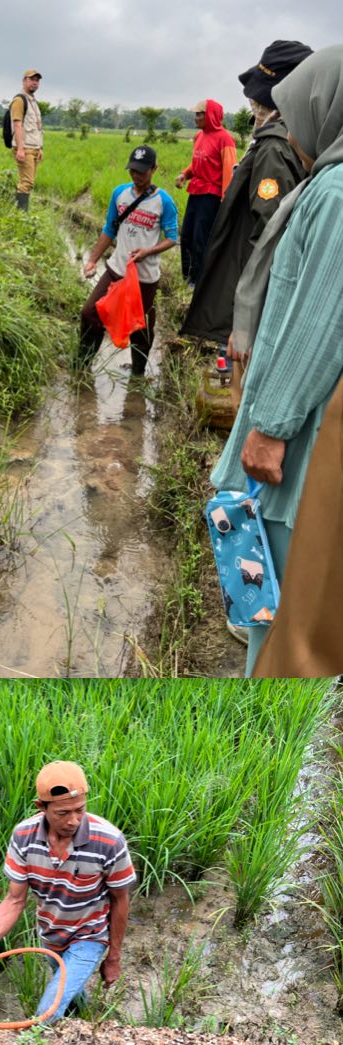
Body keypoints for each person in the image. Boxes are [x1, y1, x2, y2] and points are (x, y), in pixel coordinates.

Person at [212, 45, 343, 678]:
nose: (288, 130)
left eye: (295, 112)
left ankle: (268, 701)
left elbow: (322, 317)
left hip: (305, 429)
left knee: (279, 586)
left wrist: (271, 424)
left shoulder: (338, 192)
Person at [0, 762, 135, 1021]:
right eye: (63, 813)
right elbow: (14, 901)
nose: (73, 821)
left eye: (80, 810)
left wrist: (114, 957)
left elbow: (121, 900)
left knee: (46, 1012)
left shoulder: (109, 841)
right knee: (67, 992)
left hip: (89, 936)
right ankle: (85, 1020)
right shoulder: (24, 837)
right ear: (42, 807)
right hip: (51, 936)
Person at [182, 42, 314, 351]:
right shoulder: (272, 141)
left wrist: (246, 315)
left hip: (246, 294)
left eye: (258, 100)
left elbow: (268, 233)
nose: (253, 105)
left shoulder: (274, 150)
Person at [78, 145, 179, 375]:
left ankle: (137, 375)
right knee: (90, 313)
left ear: (154, 169)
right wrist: (92, 260)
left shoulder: (164, 202)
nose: (136, 176)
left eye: (142, 172)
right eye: (133, 170)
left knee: (141, 328)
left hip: (144, 278)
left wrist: (148, 251)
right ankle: (81, 365)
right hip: (116, 270)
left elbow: (172, 238)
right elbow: (109, 229)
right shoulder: (120, 194)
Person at [175, 99, 237, 287]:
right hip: (196, 192)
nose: (196, 117)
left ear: (210, 115)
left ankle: (197, 281)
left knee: (200, 238)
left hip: (211, 196)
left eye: (199, 114)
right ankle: (186, 275)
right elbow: (197, 163)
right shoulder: (199, 136)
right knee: (186, 235)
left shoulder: (225, 139)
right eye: (196, 114)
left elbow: (229, 171)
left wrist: (225, 201)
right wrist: (185, 174)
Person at [10, 70, 44, 210]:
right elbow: (17, 125)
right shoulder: (19, 100)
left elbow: (38, 127)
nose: (34, 82)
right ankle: (21, 215)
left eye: (37, 80)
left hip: (34, 147)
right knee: (27, 182)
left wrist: (40, 147)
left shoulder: (33, 101)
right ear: (24, 80)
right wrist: (20, 149)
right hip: (25, 147)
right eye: (31, 79)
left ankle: (21, 213)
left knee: (29, 182)